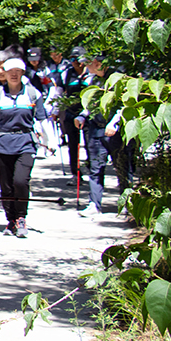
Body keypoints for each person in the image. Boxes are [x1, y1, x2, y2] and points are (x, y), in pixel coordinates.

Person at [0, 57, 51, 237]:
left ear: (22, 73)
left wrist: (50, 141)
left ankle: (21, 217)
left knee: (20, 181)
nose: (14, 75)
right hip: (3, 143)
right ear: (4, 74)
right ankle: (11, 219)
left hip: (26, 142)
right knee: (6, 186)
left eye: (18, 71)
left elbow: (42, 118)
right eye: (10, 71)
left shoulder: (32, 94)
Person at [76, 57, 112, 216]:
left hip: (114, 132)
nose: (85, 66)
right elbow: (90, 105)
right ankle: (94, 204)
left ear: (98, 63)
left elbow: (124, 105)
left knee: (123, 167)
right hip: (96, 131)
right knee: (95, 168)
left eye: (88, 63)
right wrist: (82, 116)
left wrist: (114, 124)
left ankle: (127, 203)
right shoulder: (94, 82)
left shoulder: (116, 79)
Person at [59, 47, 90, 181]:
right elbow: (59, 93)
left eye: (78, 59)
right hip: (71, 113)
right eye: (72, 59)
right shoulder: (66, 74)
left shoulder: (91, 74)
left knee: (90, 144)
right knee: (73, 145)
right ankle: (75, 173)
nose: (76, 62)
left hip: (88, 114)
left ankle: (91, 170)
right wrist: (55, 111)